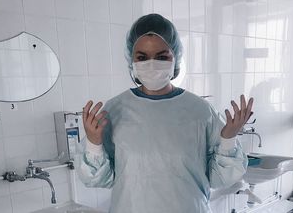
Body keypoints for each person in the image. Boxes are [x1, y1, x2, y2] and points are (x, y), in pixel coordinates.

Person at [75, 13, 254, 213]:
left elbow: (221, 178)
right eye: (142, 57)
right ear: (132, 61)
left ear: (175, 58)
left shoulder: (200, 110)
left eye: (161, 57)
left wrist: (228, 138)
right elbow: (94, 179)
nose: (151, 64)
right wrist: (94, 143)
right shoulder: (115, 110)